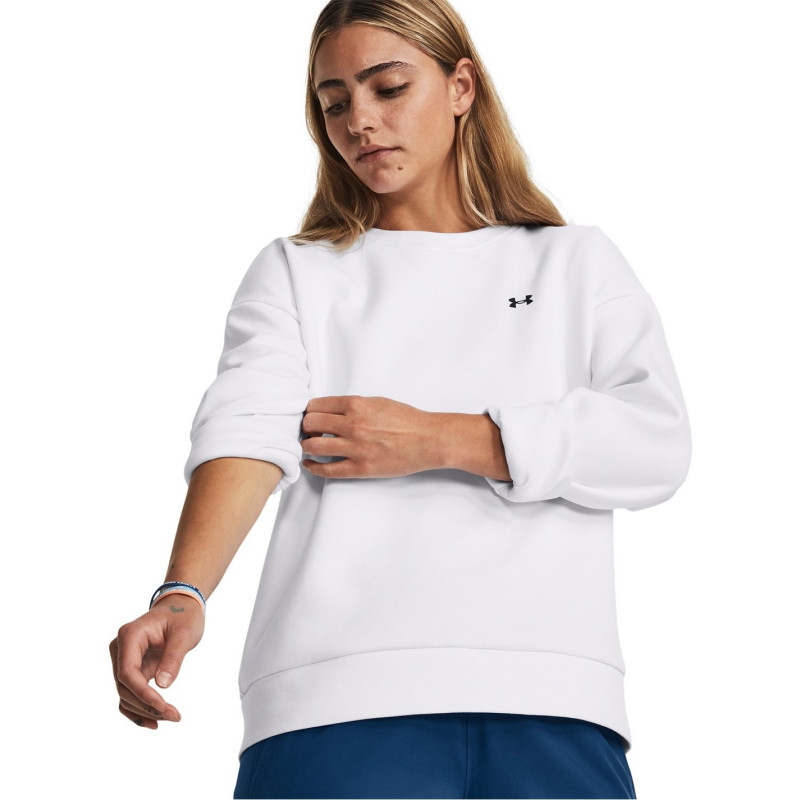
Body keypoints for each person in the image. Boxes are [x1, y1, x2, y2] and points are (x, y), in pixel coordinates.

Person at [109, 0, 692, 797]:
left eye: (388, 88)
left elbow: (655, 442)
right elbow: (247, 428)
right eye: (334, 102)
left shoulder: (573, 263)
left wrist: (442, 438)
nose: (360, 122)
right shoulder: (298, 270)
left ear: (461, 87)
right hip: (333, 699)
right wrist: (182, 592)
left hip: (552, 694)